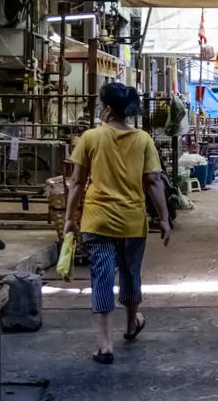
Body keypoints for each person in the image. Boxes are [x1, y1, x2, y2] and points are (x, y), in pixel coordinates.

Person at [64, 82, 172, 365]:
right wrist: (164, 219)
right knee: (130, 273)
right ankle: (130, 324)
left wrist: (68, 218)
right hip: (132, 221)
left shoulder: (90, 137)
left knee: (101, 277)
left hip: (97, 221)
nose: (99, 108)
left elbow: (77, 182)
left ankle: (105, 345)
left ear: (108, 108)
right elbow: (153, 181)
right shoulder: (144, 140)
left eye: (101, 104)